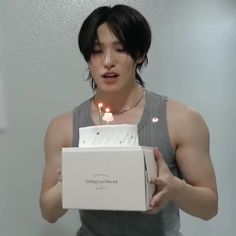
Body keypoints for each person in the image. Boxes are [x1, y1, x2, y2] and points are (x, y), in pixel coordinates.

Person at [39, 4, 218, 236]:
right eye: (96, 51)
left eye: (121, 49)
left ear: (140, 54)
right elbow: (48, 213)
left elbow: (210, 208)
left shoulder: (181, 120)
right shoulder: (64, 127)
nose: (107, 61)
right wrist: (71, 181)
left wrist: (176, 189)